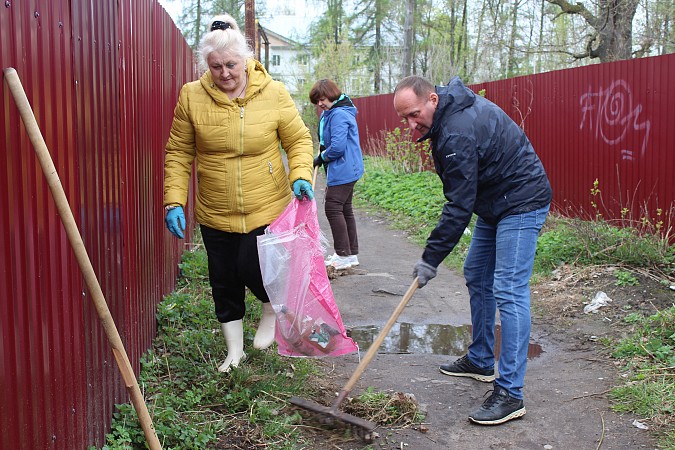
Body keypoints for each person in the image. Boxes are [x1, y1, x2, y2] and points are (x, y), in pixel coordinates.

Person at [393, 75, 552, 425]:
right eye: (404, 118)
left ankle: (510, 393)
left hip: (521, 201)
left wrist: (430, 259)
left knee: (509, 289)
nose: (410, 124)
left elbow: (458, 206)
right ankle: (481, 359)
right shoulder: (447, 118)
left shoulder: (457, 132)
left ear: (433, 99)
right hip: (496, 200)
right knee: (477, 273)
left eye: (414, 114)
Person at [163, 14, 314, 373]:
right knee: (224, 279)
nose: (225, 73)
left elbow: (298, 139)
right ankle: (234, 352)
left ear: (245, 60)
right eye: (216, 67)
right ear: (207, 66)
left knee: (254, 267)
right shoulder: (191, 96)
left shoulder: (273, 92)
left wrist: (300, 173)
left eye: (231, 64)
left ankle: (268, 309)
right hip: (216, 207)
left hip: (267, 204)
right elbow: (179, 152)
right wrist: (173, 199)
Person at [308, 79, 365, 270]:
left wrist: (322, 157)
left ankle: (342, 254)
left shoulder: (339, 114)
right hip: (347, 166)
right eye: (317, 101)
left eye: (322, 99)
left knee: (333, 207)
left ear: (332, 95)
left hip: (344, 167)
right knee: (344, 208)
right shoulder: (333, 111)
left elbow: (338, 147)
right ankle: (350, 254)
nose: (320, 104)